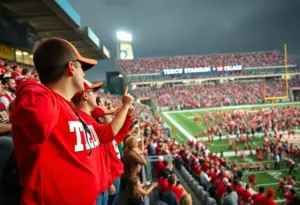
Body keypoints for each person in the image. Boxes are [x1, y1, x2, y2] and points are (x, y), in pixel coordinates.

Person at [10, 37, 128, 205]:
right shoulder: (42, 97)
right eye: (82, 69)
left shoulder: (67, 107)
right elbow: (35, 116)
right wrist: (28, 86)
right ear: (71, 68)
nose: (84, 75)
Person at [72, 80, 134, 205]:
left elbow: (119, 133)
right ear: (85, 96)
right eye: (93, 92)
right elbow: (111, 132)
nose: (96, 95)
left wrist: (127, 114)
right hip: (99, 188)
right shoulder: (85, 122)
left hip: (103, 184)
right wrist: (125, 106)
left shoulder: (89, 122)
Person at [91, 105, 132, 205]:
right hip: (111, 179)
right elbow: (103, 163)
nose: (112, 117)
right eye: (109, 115)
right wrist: (109, 183)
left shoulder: (109, 136)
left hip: (115, 176)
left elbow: (122, 132)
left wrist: (128, 116)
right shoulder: (101, 139)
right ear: (101, 119)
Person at [0, 77, 13, 185]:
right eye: (0, 85)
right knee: (8, 143)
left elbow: (8, 121)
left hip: (9, 134)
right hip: (4, 137)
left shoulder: (2, 105)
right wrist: (16, 126)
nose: (3, 86)